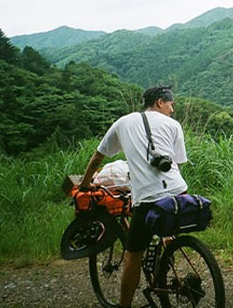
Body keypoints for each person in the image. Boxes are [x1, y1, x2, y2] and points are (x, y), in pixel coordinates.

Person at [78, 86, 189, 308]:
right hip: (179, 191)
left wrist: (84, 184)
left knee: (132, 255)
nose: (173, 109)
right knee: (167, 232)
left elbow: (98, 157)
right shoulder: (173, 125)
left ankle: (125, 305)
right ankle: (168, 260)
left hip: (147, 197)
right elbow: (177, 163)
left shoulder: (123, 122)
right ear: (159, 102)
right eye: (171, 104)